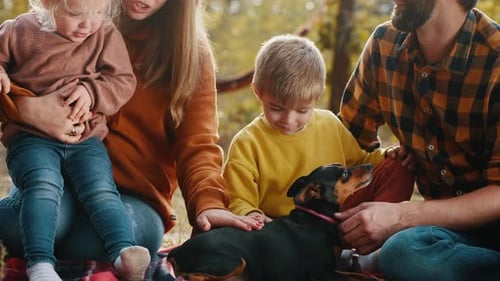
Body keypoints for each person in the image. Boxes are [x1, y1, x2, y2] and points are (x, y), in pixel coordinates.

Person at [0, 0, 261, 278]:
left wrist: (208, 204)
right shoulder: (73, 16)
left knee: (100, 238)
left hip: (135, 198)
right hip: (56, 174)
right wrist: (25, 109)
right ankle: (46, 254)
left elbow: (198, 145)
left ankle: (53, 254)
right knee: (31, 224)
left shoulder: (188, 53)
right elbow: (15, 69)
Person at [336, 0, 499, 280]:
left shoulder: (495, 59)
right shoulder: (383, 45)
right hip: (449, 236)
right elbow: (347, 143)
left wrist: (401, 216)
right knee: (406, 252)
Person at [0, 0, 153, 280]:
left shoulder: (104, 34)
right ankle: (40, 264)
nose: (88, 23)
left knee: (101, 190)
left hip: (85, 138)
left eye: (98, 12)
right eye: (76, 13)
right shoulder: (17, 31)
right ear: (48, 4)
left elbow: (122, 80)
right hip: (31, 139)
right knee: (43, 185)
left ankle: (123, 254)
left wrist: (92, 91)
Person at [223, 34, 415, 225]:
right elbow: (238, 199)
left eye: (302, 110)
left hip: (333, 218)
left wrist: (389, 155)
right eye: (276, 108)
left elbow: (360, 161)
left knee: (398, 167)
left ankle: (368, 235)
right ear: (258, 92)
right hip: (280, 231)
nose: (289, 120)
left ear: (317, 95)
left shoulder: (329, 124)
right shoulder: (247, 143)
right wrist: (251, 215)